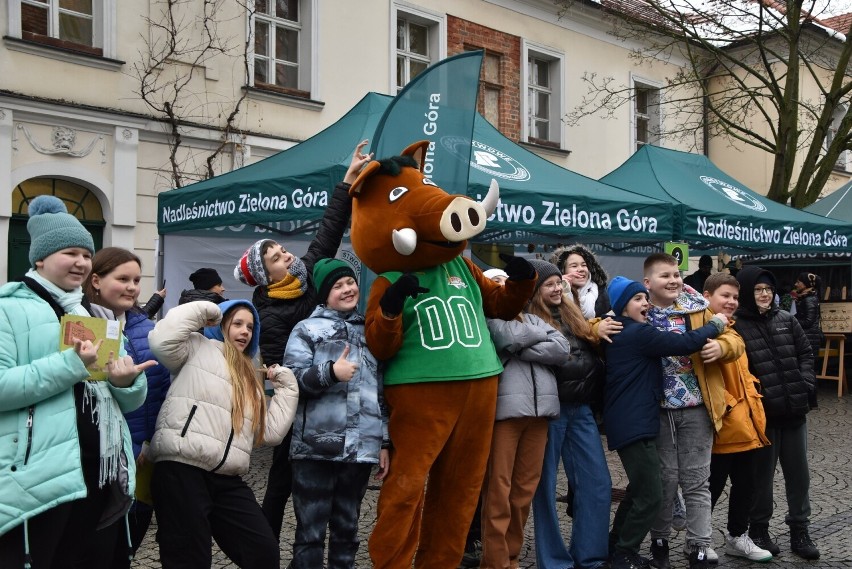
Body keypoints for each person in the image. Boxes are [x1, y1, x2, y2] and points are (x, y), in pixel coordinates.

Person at [0, 195, 151, 568]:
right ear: (40, 258)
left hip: (97, 475)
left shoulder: (92, 313)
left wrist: (125, 383)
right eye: (70, 252)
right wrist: (71, 365)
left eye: (86, 254)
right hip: (39, 481)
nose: (82, 262)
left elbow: (122, 402)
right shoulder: (8, 308)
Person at [236, 140, 372, 543]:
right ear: (267, 275)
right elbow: (282, 373)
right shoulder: (271, 315)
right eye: (278, 257)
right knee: (280, 485)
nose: (287, 256)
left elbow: (327, 231)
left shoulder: (306, 276)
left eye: (281, 250)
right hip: (297, 409)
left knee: (323, 489)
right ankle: (264, 551)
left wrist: (347, 182)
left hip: (333, 396)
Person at [148, 299, 299, 568]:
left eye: (251, 327)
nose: (245, 331)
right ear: (221, 324)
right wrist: (208, 310)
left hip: (227, 479)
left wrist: (287, 389)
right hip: (182, 470)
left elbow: (271, 432)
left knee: (263, 552)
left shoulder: (250, 374)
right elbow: (162, 339)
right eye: (237, 323)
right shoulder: (196, 347)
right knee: (189, 559)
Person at [603, 276, 728, 569]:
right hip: (633, 423)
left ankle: (615, 545)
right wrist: (716, 324)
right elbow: (684, 343)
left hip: (631, 421)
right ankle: (624, 553)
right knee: (651, 494)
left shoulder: (625, 330)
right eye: (637, 299)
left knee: (638, 489)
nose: (645, 303)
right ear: (622, 307)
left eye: (644, 298)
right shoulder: (636, 333)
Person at [283, 259, 389, 569]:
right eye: (337, 285)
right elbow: (290, 380)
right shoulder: (306, 329)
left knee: (348, 531)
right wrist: (330, 372)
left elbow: (381, 392)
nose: (347, 289)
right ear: (324, 293)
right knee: (310, 534)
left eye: (350, 282)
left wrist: (384, 442)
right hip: (314, 449)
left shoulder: (371, 330)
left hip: (360, 451)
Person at [643, 253, 744, 569]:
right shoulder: (637, 310)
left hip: (698, 408)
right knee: (664, 480)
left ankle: (699, 545)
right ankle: (659, 539)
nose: (674, 280)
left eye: (676, 274)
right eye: (665, 275)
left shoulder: (699, 308)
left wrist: (722, 347)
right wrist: (598, 327)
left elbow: (734, 339)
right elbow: (598, 323)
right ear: (648, 283)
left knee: (698, 480)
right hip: (656, 411)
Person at [83, 247, 172, 568]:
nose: (133, 287)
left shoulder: (150, 331)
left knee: (126, 551)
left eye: (136, 279)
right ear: (95, 280)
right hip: (95, 466)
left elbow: (162, 395)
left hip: (143, 461)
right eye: (122, 279)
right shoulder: (77, 327)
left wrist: (151, 443)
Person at [479, 270, 567, 569]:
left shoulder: (532, 319)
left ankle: (512, 557)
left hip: (540, 414)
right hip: (505, 414)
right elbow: (505, 337)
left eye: (509, 281)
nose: (507, 287)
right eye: (498, 283)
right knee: (499, 489)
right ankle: (495, 561)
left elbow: (562, 348)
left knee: (524, 490)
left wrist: (522, 345)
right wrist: (537, 338)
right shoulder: (487, 317)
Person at [528, 259, 612, 569]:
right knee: (545, 488)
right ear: (535, 289)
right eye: (548, 284)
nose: (556, 288)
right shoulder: (527, 317)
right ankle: (553, 561)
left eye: (557, 284)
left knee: (597, 482)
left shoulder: (573, 312)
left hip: (581, 408)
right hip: (549, 410)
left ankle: (590, 557)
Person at [733, 266, 820, 560]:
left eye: (768, 289)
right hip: (763, 416)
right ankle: (759, 529)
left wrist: (806, 383)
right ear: (747, 292)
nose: (765, 294)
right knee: (761, 477)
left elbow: (806, 353)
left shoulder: (786, 319)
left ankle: (799, 528)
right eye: (758, 289)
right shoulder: (737, 326)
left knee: (799, 475)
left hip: (795, 410)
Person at [701, 273, 772, 562]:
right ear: (707, 296)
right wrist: (728, 407)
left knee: (746, 485)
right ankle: (699, 539)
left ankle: (737, 536)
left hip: (746, 423)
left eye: (734, 297)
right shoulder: (702, 325)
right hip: (722, 424)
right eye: (724, 295)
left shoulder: (732, 327)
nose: (731, 301)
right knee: (710, 487)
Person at [460, 267, 509, 569]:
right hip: (476, 408)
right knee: (470, 479)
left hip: (505, 411)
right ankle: (467, 539)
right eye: (495, 282)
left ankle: (481, 538)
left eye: (505, 282)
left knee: (493, 481)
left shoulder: (518, 317)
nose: (501, 286)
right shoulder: (479, 319)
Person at [550, 244, 612, 317]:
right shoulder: (554, 294)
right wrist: (561, 285)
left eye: (584, 265)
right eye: (574, 266)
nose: (581, 269)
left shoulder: (603, 293)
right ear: (563, 271)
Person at [793, 271, 823, 407]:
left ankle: (811, 400)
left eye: (799, 282)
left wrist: (792, 320)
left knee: (808, 369)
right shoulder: (807, 298)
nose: (796, 284)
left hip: (809, 339)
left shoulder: (810, 299)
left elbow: (809, 321)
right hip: (809, 338)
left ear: (806, 284)